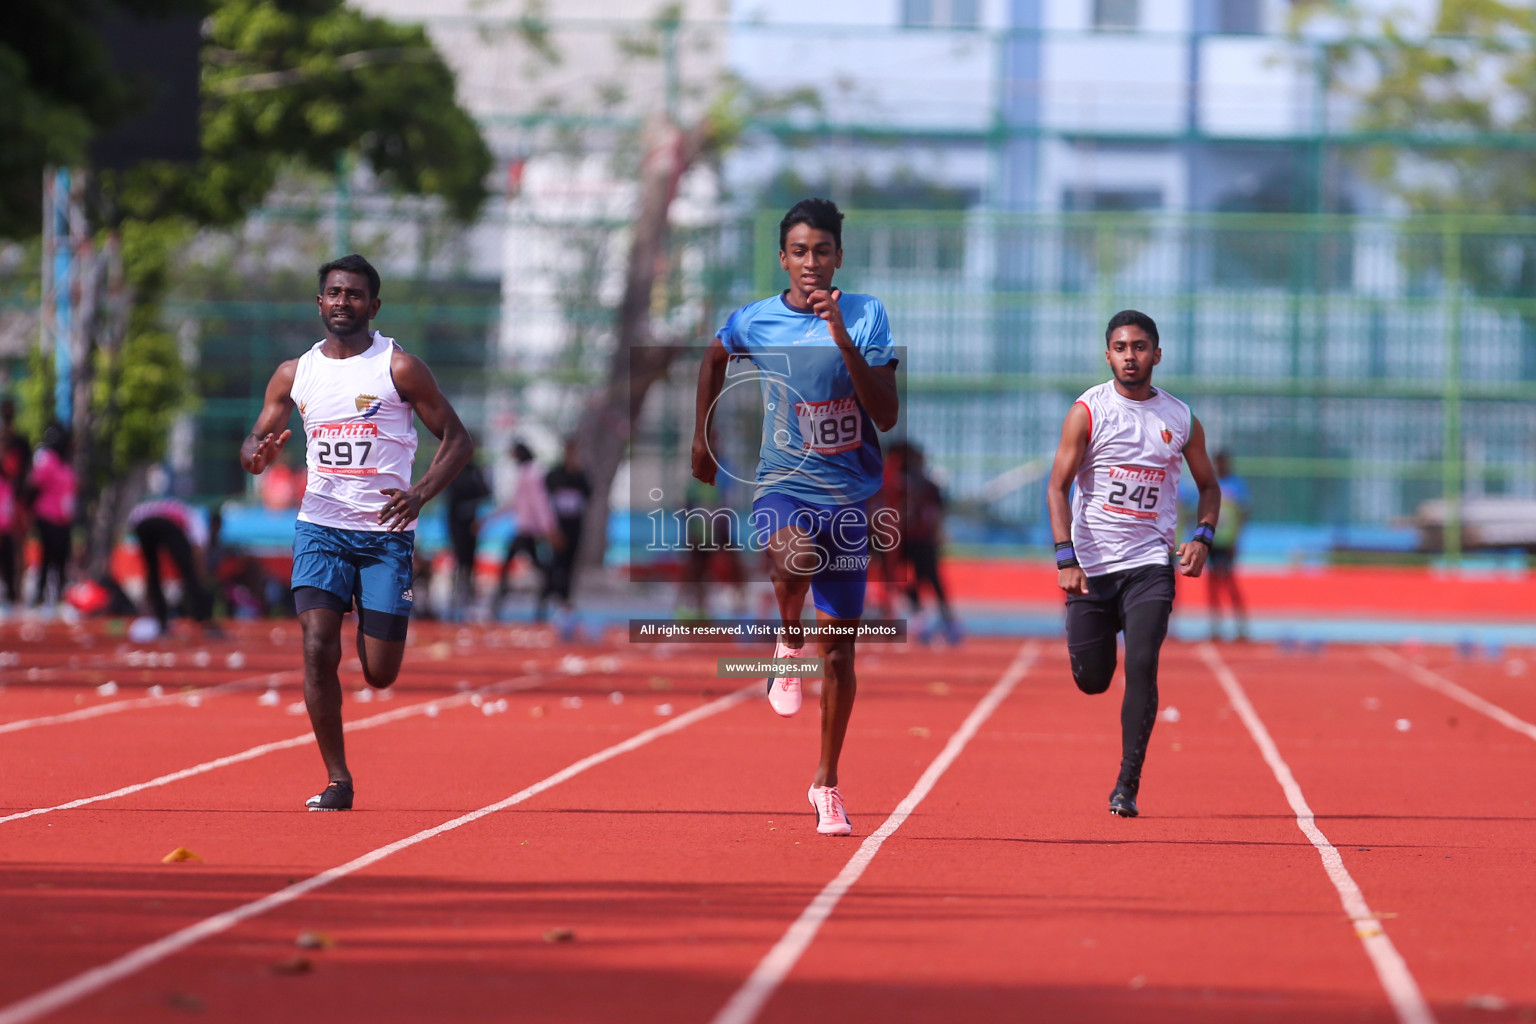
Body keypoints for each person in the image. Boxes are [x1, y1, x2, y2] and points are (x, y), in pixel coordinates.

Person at [692, 197, 899, 837]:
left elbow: (885, 414)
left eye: (823, 252)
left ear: (839, 257)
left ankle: (826, 784)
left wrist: (841, 337)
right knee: (793, 556)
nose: (812, 263)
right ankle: (786, 640)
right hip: (783, 483)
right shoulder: (755, 321)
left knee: (840, 658)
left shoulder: (866, 317)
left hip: (849, 498)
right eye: (800, 252)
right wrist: (703, 440)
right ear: (783, 259)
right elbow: (713, 356)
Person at [240, 254, 474, 811]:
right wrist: (259, 455)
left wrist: (419, 494)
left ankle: (380, 635)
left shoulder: (399, 368)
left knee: (380, 673)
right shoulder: (294, 374)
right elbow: (252, 448)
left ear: (374, 305)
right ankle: (338, 779)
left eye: (354, 294)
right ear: (319, 303)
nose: (343, 302)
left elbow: (458, 440)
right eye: (334, 293)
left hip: (385, 535)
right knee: (318, 647)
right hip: (320, 526)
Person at [1047, 309, 1220, 819]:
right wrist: (1066, 557)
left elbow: (1209, 486)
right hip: (1092, 569)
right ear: (1108, 355)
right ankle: (1092, 649)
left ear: (1156, 355)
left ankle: (1127, 782)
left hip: (1150, 565)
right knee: (1093, 680)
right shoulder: (1088, 411)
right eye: (1121, 348)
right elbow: (1056, 487)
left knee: (1143, 664)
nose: (1131, 356)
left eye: (1140, 347)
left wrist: (1202, 538)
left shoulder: (1180, 418)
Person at [126, 494, 218, 638]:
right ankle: (205, 620)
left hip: (140, 521)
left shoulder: (157, 506)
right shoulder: (194, 516)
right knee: (188, 573)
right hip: (164, 524)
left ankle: (161, 621)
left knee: (153, 572)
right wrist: (200, 578)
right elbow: (197, 552)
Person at [897, 443, 961, 645]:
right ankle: (919, 616)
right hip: (904, 540)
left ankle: (948, 620)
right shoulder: (895, 483)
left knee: (933, 580)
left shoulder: (928, 486)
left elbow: (938, 513)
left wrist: (938, 535)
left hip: (923, 540)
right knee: (903, 578)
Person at [496, 441, 556, 619]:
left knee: (538, 569)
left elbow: (539, 503)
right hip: (523, 529)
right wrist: (489, 519)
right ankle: (540, 607)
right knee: (537, 568)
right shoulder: (524, 473)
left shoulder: (531, 474)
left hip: (529, 531)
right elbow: (515, 502)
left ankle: (543, 606)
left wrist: (548, 528)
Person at [542, 437, 591, 629]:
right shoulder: (554, 474)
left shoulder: (581, 475)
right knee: (555, 565)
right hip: (557, 526)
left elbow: (588, 495)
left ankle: (566, 603)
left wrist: (577, 471)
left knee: (571, 565)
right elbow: (545, 499)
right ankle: (550, 602)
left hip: (575, 526)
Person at [29, 423, 76, 613]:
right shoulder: (47, 461)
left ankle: (59, 597)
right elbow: (33, 486)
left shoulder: (66, 463)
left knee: (62, 558)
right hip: (47, 516)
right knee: (48, 557)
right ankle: (39, 597)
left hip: (63, 519)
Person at [1207, 450, 1250, 641]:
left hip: (1227, 542)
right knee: (1213, 585)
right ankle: (1216, 628)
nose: (1220, 467)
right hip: (1212, 540)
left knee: (1230, 584)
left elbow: (1243, 514)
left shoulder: (1237, 485)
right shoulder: (1209, 483)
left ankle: (1241, 628)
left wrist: (1236, 540)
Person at [444, 447, 491, 619]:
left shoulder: (474, 470)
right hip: (456, 523)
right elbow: (449, 498)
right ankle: (455, 596)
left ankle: (468, 596)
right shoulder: (453, 468)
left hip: (471, 522)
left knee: (470, 560)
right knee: (459, 558)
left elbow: (486, 492)